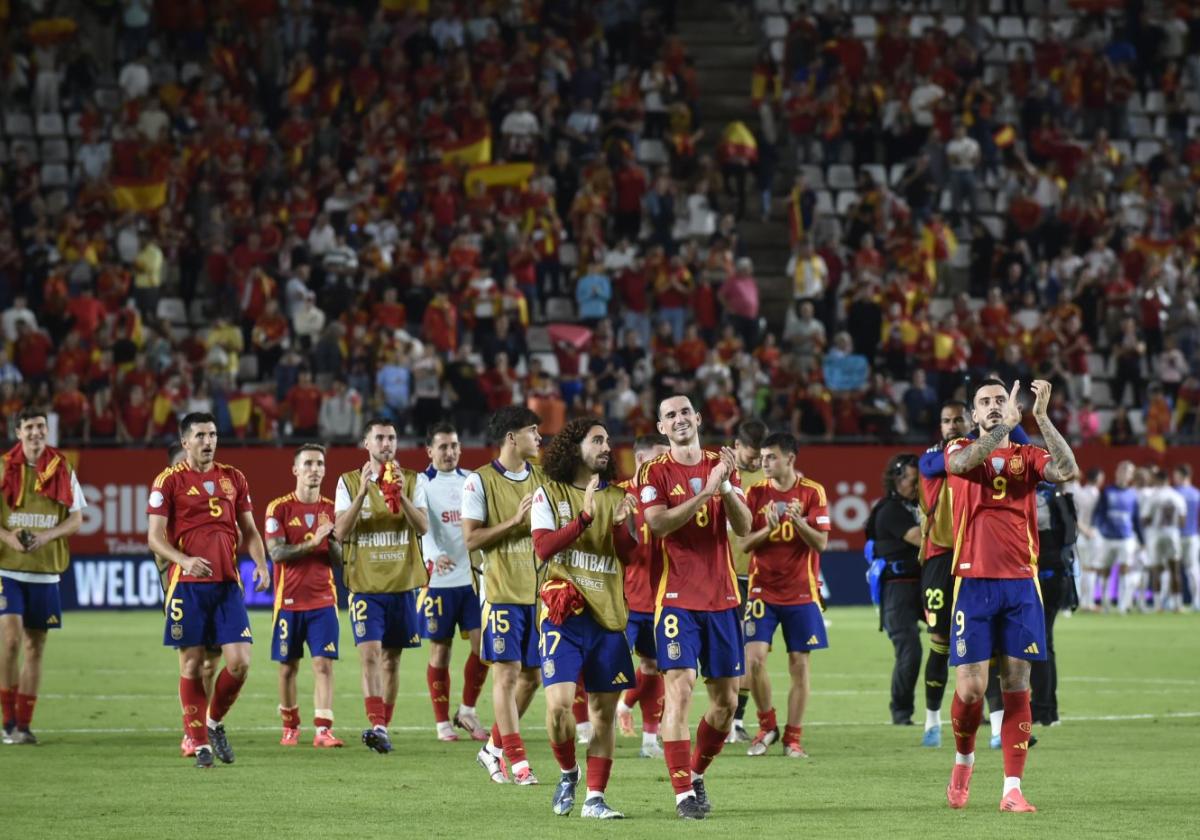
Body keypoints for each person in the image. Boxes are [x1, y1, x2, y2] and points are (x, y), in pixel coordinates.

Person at [943, 378, 1078, 813]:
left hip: (1021, 583)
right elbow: (967, 462)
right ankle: (964, 760)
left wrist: (1040, 417)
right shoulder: (957, 449)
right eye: (986, 403)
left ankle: (1012, 789)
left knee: (1018, 684)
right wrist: (1004, 428)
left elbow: (1067, 468)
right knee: (971, 690)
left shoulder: (1028, 456)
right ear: (974, 415)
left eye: (1001, 399)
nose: (995, 406)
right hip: (974, 582)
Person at [638, 394, 753, 820]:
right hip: (676, 600)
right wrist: (707, 492)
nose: (679, 419)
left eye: (685, 411)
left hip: (723, 599)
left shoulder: (721, 465)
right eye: (670, 414)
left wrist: (724, 484)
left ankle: (696, 773)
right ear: (662, 427)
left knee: (725, 704)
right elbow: (658, 523)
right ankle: (683, 794)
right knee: (680, 688)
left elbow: (743, 528)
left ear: (698, 418)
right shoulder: (653, 471)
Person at [147, 412, 270, 768]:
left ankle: (213, 722)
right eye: (200, 435)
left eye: (213, 434)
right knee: (192, 662)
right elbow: (154, 538)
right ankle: (199, 743)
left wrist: (261, 563)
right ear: (185, 441)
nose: (208, 441)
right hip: (187, 585)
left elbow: (250, 530)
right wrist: (182, 560)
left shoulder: (234, 478)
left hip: (227, 583)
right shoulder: (168, 481)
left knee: (240, 662)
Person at [532, 418, 639, 819]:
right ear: (574, 447)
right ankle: (568, 772)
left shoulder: (616, 496)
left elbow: (630, 557)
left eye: (608, 440)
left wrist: (620, 527)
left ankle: (595, 798)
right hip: (564, 616)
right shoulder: (549, 493)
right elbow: (543, 549)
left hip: (609, 618)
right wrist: (585, 519)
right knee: (559, 708)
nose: (606, 446)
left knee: (603, 715)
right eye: (597, 440)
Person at [916, 401, 1032, 747]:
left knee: (994, 645)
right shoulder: (932, 457)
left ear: (972, 419)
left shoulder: (989, 447)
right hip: (942, 558)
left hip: (980, 558)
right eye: (945, 420)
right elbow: (956, 463)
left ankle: (998, 727)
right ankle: (931, 722)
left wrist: (1009, 418)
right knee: (938, 643)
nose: (950, 425)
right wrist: (993, 430)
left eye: (957, 420)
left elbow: (1024, 445)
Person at [333, 418, 430, 754]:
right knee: (370, 656)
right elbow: (340, 532)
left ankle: (382, 728)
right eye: (379, 438)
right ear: (367, 444)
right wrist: (362, 493)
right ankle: (376, 723)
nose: (386, 443)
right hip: (365, 585)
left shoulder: (415, 480)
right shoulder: (347, 483)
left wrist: (400, 496)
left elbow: (423, 527)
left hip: (403, 584)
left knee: (392, 660)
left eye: (391, 437)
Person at [462, 406, 544, 785]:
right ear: (512, 437)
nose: (538, 437)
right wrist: (514, 522)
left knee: (532, 677)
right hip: (500, 592)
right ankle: (518, 760)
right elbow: (471, 539)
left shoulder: (542, 479)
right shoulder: (478, 482)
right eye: (532, 430)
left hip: (538, 594)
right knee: (507, 675)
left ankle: (492, 749)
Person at [739, 432, 831, 758]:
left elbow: (820, 543)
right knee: (752, 661)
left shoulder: (812, 492)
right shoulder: (755, 493)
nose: (764, 462)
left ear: (790, 458)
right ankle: (768, 726)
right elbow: (744, 544)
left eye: (771, 457)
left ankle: (793, 738)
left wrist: (798, 521)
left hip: (801, 593)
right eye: (763, 457)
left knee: (799, 665)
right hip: (762, 590)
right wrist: (770, 527)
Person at [0, 407, 86, 745]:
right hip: (7, 568)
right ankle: (7, 721)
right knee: (10, 641)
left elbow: (76, 519)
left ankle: (24, 725)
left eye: (41, 427)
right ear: (18, 432)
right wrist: (9, 539)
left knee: (35, 647)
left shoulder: (62, 467)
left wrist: (47, 537)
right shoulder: (5, 467)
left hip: (46, 571)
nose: (37, 432)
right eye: (30, 427)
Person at [264, 444, 344, 748]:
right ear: (295, 470)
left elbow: (338, 560)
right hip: (289, 602)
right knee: (288, 667)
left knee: (323, 664)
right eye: (308, 463)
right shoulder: (279, 508)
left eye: (319, 464)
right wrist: (315, 542)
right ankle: (290, 725)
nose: (315, 469)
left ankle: (323, 729)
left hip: (323, 600)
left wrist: (334, 541)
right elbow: (277, 553)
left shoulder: (332, 509)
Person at [415, 422, 489, 742]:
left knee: (484, 649)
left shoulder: (472, 480)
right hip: (439, 581)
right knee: (440, 651)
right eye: (443, 447)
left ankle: (467, 711)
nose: (450, 452)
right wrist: (433, 555)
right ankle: (441, 723)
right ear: (429, 451)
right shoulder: (421, 483)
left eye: (454, 446)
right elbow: (422, 525)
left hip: (472, 579)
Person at [154, 442, 221, 758]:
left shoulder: (214, 494)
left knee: (211, 664)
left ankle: (204, 724)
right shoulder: (167, 497)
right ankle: (191, 732)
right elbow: (159, 549)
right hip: (184, 589)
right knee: (192, 663)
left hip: (217, 587)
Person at [615, 434, 669, 758]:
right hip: (624, 600)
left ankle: (650, 742)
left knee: (654, 666)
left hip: (662, 597)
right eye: (659, 458)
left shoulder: (669, 496)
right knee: (608, 668)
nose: (666, 464)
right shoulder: (619, 494)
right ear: (640, 460)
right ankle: (594, 729)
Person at [867, 453, 923, 726]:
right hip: (897, 588)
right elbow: (921, 539)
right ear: (898, 479)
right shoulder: (890, 510)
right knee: (910, 650)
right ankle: (901, 712)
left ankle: (979, 708)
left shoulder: (916, 506)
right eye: (914, 480)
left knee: (963, 641)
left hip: (924, 583)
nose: (918, 486)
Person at [727, 419, 766, 743]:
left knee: (750, 654)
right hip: (718, 576)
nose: (755, 462)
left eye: (759, 457)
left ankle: (735, 721)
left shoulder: (767, 480)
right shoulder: (717, 471)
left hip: (753, 578)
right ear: (736, 446)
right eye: (751, 456)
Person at [1029, 481, 1078, 726]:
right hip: (1058, 575)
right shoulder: (1055, 494)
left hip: (1042, 575)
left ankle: (1042, 709)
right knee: (1044, 643)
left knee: (1039, 644)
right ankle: (1047, 710)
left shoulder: (1033, 496)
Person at [1093, 461, 1142, 614]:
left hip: (1126, 538)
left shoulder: (1133, 495)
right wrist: (1099, 529)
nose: (1124, 473)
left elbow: (1136, 519)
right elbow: (1099, 513)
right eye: (1122, 470)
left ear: (1131, 476)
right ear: (1116, 472)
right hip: (1108, 537)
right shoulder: (1107, 491)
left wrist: (1142, 539)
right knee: (1105, 570)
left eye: (1128, 471)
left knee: (1125, 570)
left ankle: (1122, 603)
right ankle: (1105, 601)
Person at [1144, 468, 1187, 612]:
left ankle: (1157, 605)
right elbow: (1182, 521)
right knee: (1175, 570)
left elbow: (1145, 519)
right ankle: (1178, 605)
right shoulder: (1177, 496)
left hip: (1156, 534)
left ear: (1157, 480)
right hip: (1172, 534)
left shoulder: (1153, 496)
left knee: (1156, 570)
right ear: (1168, 480)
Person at [1071, 468, 1104, 612]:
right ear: (1098, 479)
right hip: (1091, 533)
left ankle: (1080, 601)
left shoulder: (1077, 491)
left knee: (1082, 569)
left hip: (1077, 533)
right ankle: (1088, 602)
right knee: (1090, 569)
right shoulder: (1094, 494)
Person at [1171, 464, 1200, 611]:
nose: (1174, 478)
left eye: (1176, 475)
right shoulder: (1197, 493)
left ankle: (1172, 602)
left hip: (1176, 536)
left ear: (1183, 476)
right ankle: (1197, 602)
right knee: (1193, 569)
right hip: (1193, 536)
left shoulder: (1173, 493)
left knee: (1172, 570)